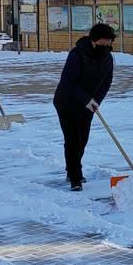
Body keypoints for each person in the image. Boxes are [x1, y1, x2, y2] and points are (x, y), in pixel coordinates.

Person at [52, 23, 116, 191]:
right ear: (93, 41)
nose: (106, 47)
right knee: (73, 139)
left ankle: (73, 168)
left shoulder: (107, 57)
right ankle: (75, 176)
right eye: (102, 44)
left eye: (108, 44)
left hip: (88, 105)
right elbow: (68, 82)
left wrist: (96, 101)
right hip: (66, 103)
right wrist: (86, 99)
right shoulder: (77, 55)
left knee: (83, 139)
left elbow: (106, 82)